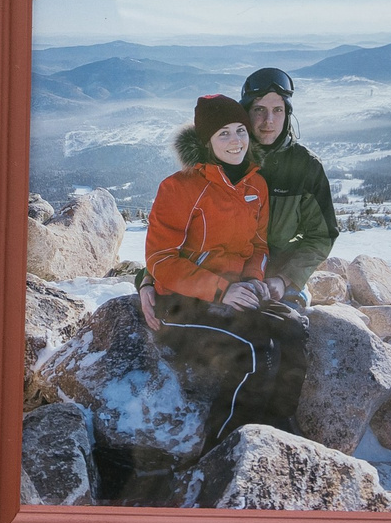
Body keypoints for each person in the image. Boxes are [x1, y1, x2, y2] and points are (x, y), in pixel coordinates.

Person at [141, 95, 308, 438]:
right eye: (223, 134)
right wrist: (222, 290)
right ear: (206, 142)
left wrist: (252, 281)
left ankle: (278, 429)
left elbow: (258, 247)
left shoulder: (255, 183)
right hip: (180, 301)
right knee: (252, 348)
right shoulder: (179, 188)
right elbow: (161, 259)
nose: (236, 142)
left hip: (234, 292)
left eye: (240, 131)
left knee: (293, 328)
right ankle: (224, 445)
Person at [241, 67, 340, 291]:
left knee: (286, 324)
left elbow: (322, 235)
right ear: (245, 113)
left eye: (277, 110)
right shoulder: (226, 159)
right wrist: (150, 279)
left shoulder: (305, 166)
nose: (269, 120)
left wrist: (286, 278)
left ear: (287, 114)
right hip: (223, 274)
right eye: (259, 109)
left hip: (277, 275)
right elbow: (184, 224)